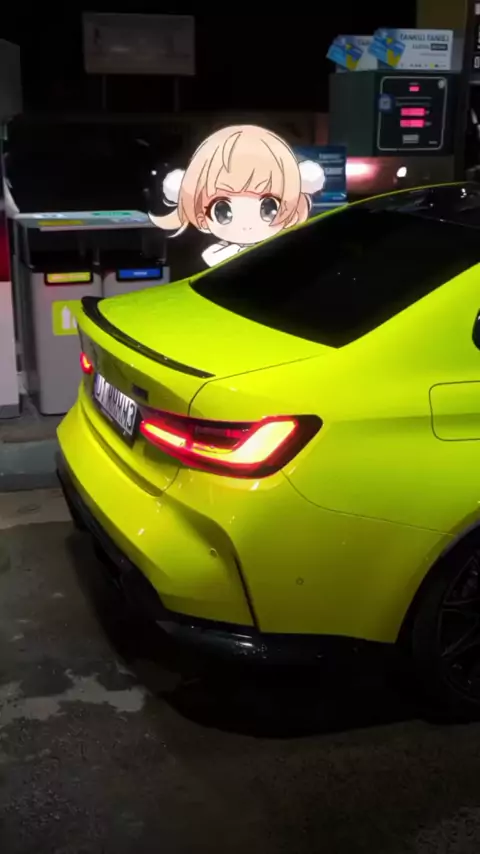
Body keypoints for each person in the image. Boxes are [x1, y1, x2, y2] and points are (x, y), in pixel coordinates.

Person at [149, 124, 325, 268]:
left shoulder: (288, 254)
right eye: (223, 211)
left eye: (268, 208)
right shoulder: (213, 256)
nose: (247, 225)